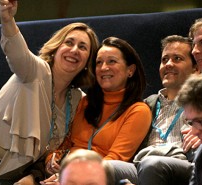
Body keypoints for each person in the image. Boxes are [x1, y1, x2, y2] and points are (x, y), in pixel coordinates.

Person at [0, 0, 99, 184]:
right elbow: (17, 53)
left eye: (83, 47)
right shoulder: (37, 70)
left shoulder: (78, 99)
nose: (74, 50)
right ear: (56, 48)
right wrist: (7, 20)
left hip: (4, 176)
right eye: (69, 42)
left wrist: (48, 169)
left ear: (88, 61)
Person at [42, 36, 152, 184]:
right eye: (99, 62)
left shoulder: (138, 111)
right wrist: (52, 160)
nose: (103, 68)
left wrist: (70, 178)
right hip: (62, 172)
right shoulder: (84, 102)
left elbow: (115, 159)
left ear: (130, 70)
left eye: (111, 61)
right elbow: (65, 144)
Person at [108, 35, 200, 185]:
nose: (168, 64)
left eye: (177, 58)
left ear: (195, 69)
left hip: (184, 165)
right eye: (164, 60)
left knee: (153, 164)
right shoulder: (146, 104)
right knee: (106, 167)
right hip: (142, 164)